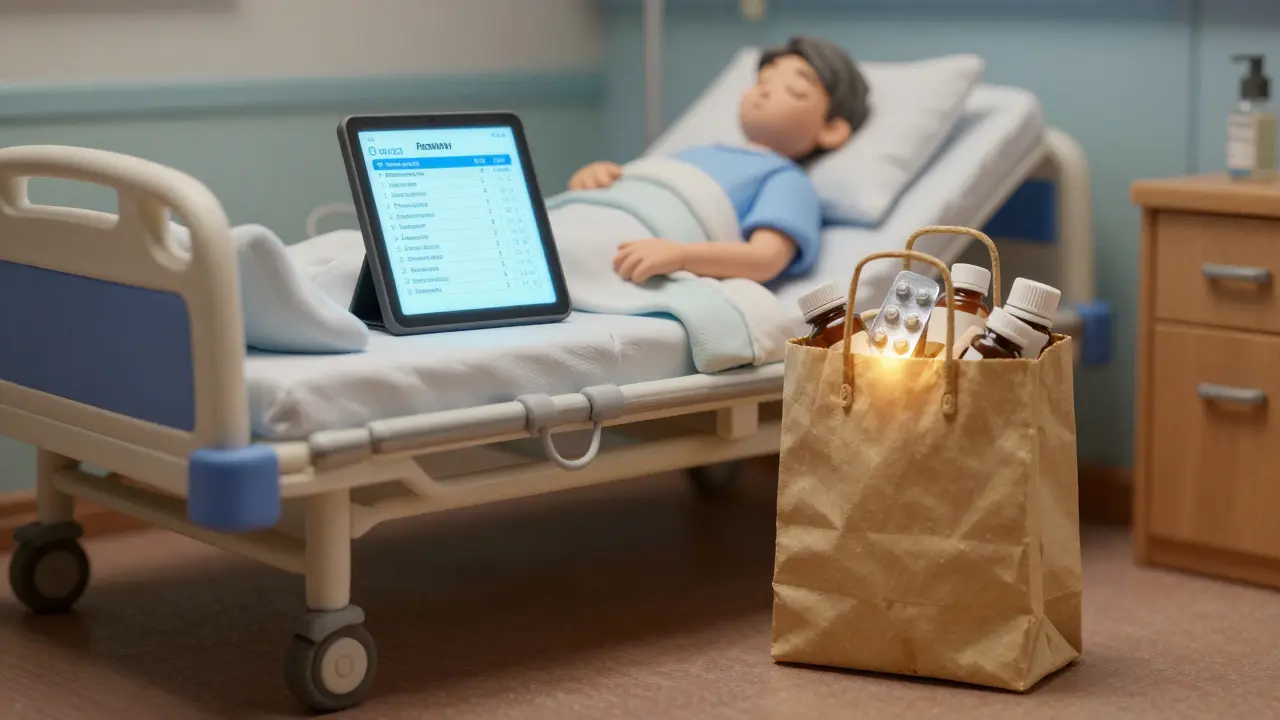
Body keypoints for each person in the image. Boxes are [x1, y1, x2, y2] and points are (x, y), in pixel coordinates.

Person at [568, 36, 870, 285]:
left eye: (795, 90)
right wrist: (596, 180)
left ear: (831, 130)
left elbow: (764, 259)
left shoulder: (786, 179)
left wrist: (682, 256)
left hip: (627, 250)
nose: (765, 90)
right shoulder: (695, 153)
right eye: (763, 80)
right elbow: (645, 189)